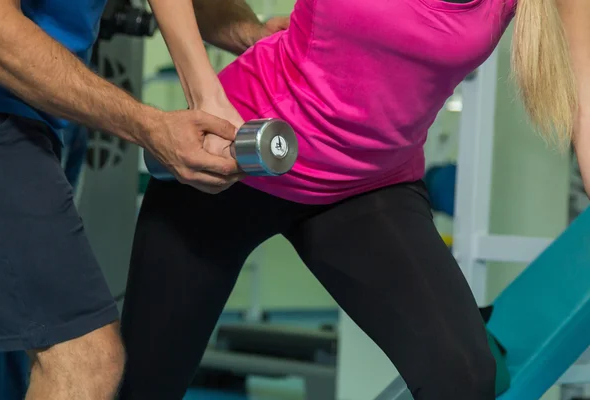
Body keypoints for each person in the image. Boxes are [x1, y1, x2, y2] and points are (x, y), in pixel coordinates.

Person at [119, 0, 590, 399]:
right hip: (241, 151)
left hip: (368, 187)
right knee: (143, 384)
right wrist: (204, 92)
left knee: (464, 377)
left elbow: (585, 103)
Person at [0, 0, 283, 397]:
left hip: (40, 115)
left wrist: (244, 45)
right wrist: (150, 126)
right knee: (85, 357)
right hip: (3, 107)